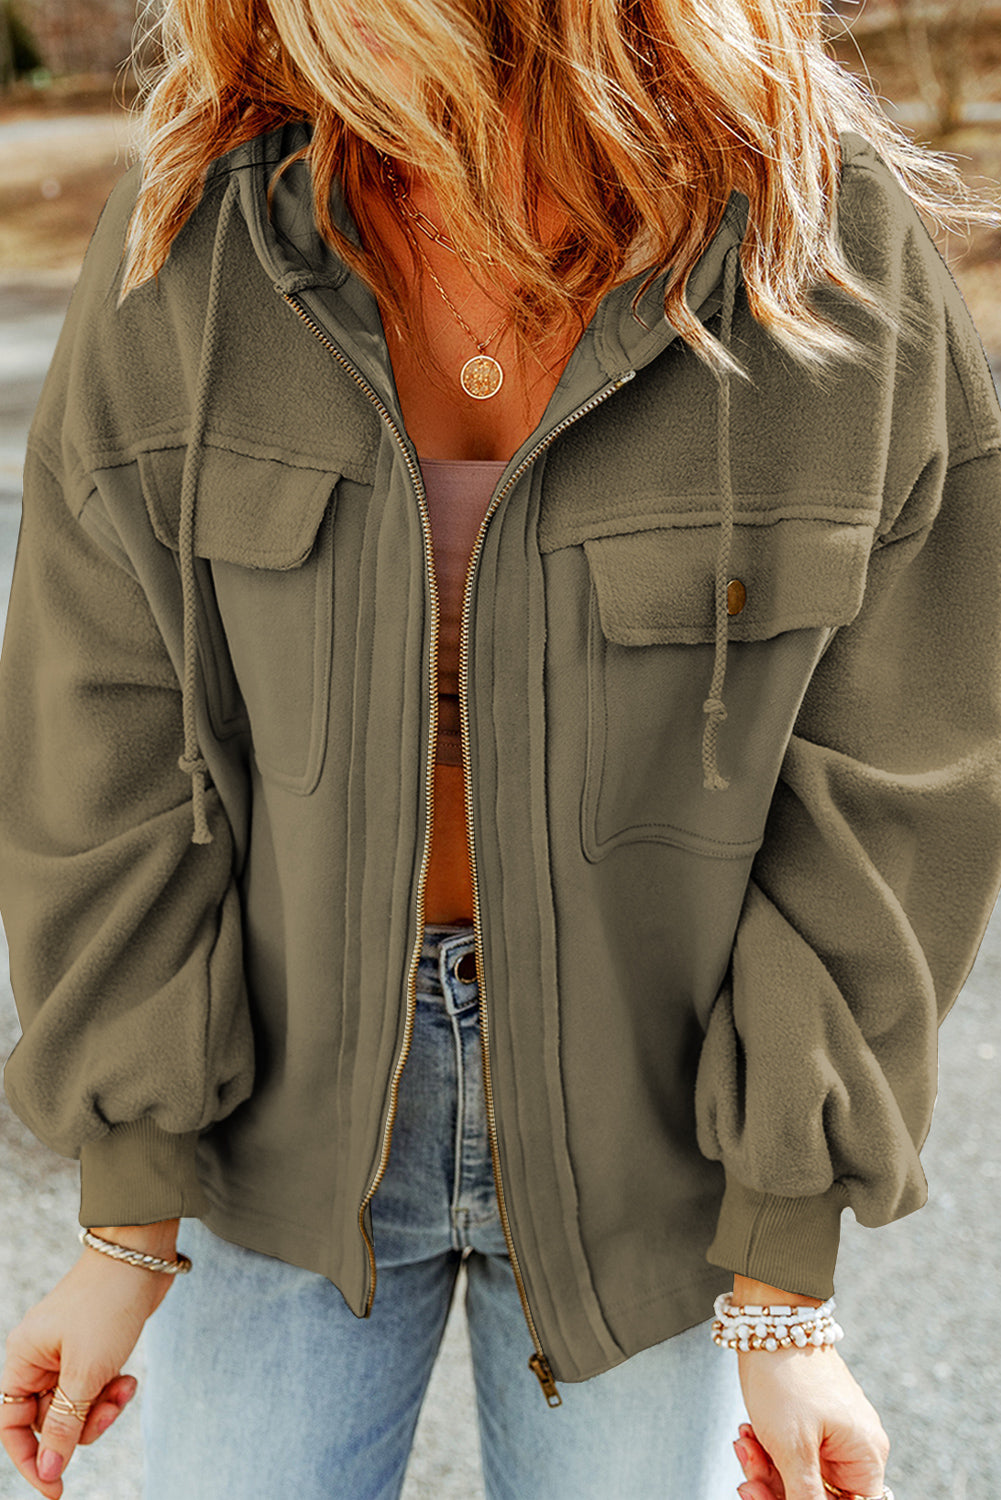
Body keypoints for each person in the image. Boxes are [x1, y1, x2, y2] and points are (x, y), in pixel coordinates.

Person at [1, 0, 1000, 1493]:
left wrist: (783, 1293)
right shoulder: (195, 237)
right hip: (265, 1139)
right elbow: (110, 738)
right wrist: (126, 1222)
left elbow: (891, 789)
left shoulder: (824, 247)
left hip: (656, 1164)